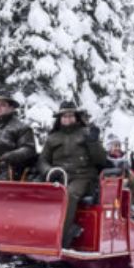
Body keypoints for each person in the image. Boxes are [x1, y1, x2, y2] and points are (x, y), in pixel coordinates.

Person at [35, 100, 109, 247]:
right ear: (59, 119)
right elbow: (42, 161)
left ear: (76, 117)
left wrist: (93, 143)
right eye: (64, 116)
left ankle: (60, 238)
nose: (67, 119)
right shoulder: (53, 138)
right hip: (58, 176)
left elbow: (101, 160)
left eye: (70, 116)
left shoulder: (86, 134)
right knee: (35, 191)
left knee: (69, 194)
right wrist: (48, 170)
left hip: (83, 178)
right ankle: (35, 232)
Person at [105, 134, 134, 200]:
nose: (118, 148)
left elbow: (132, 180)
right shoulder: (105, 161)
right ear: (109, 148)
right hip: (108, 192)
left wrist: (133, 168)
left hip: (124, 192)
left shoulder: (124, 162)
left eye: (119, 146)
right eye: (115, 146)